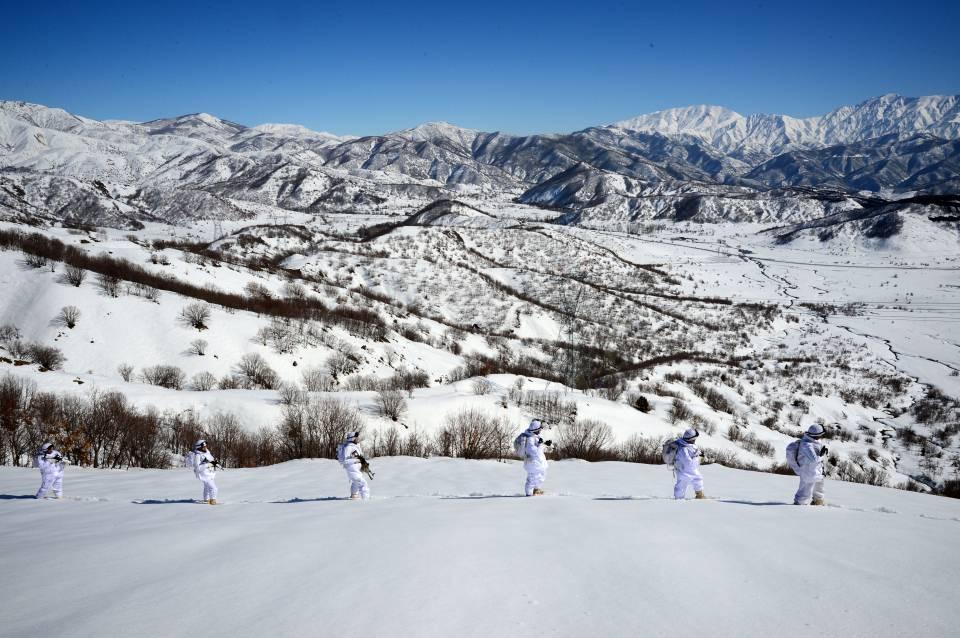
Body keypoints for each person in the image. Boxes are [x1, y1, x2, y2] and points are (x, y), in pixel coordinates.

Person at [794, 424, 827, 506]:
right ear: (816, 435)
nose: (821, 437)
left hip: (816, 470)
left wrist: (822, 468)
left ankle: (818, 501)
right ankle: (799, 506)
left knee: (819, 489)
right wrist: (821, 455)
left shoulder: (814, 441)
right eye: (820, 435)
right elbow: (814, 459)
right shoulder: (806, 444)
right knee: (805, 492)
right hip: (808, 471)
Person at [673, 428, 706, 500]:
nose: (695, 440)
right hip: (684, 470)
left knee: (697, 479)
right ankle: (678, 499)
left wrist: (699, 454)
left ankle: (699, 495)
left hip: (687, 469)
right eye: (694, 439)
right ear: (691, 438)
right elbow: (688, 462)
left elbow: (693, 452)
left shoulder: (687, 444)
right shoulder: (683, 449)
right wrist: (699, 459)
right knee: (682, 484)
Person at [521, 420, 551, 496]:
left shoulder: (534, 437)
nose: (540, 430)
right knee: (532, 479)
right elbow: (534, 452)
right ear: (536, 430)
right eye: (539, 429)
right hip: (533, 463)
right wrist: (541, 445)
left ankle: (536, 490)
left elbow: (537, 448)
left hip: (537, 463)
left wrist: (544, 444)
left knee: (540, 476)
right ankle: (529, 494)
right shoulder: (530, 439)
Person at [336, 431, 370, 500]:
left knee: (356, 482)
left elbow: (358, 457)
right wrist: (357, 460)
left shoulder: (355, 446)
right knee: (362, 483)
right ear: (352, 438)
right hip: (352, 468)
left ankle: (354, 495)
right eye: (356, 438)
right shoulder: (348, 447)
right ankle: (366, 500)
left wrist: (363, 463)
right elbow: (345, 461)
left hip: (357, 468)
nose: (358, 439)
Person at [191, 439, 219, 505]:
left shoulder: (207, 452)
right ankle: (213, 500)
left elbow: (211, 460)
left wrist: (215, 463)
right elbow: (197, 468)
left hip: (209, 472)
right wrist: (207, 465)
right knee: (213, 488)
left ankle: (206, 499)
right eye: (204, 447)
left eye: (206, 446)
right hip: (205, 474)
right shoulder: (198, 456)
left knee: (207, 487)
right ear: (199, 447)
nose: (205, 447)